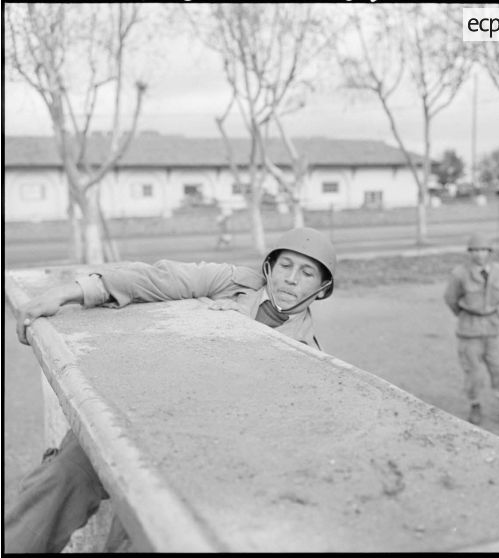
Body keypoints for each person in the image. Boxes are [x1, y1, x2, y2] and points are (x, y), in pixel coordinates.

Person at [5, 227, 336, 553]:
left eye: (307, 273)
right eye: (285, 266)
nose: (291, 279)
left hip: (193, 453)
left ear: (321, 289)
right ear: (269, 267)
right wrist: (70, 292)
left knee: (146, 527)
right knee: (60, 478)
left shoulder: (308, 352)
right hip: (132, 412)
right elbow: (159, 278)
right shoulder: (233, 281)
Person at [443, 232, 499, 431]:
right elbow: (450, 299)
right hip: (469, 329)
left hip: (493, 327)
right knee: (473, 373)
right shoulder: (460, 273)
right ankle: (475, 405)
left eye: (483, 250)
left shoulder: (497, 270)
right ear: (469, 253)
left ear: (490, 252)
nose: (479, 255)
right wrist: (464, 315)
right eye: (475, 250)